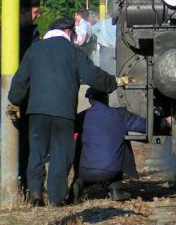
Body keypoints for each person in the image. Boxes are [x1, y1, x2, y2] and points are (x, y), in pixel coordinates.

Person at [6, 17, 128, 207]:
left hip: (36, 111)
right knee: (61, 154)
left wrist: (14, 100)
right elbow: (92, 75)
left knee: (37, 152)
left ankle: (36, 195)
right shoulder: (73, 51)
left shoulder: (34, 50)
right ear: (70, 33)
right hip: (64, 112)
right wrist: (114, 82)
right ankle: (56, 198)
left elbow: (20, 81)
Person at [72, 88, 146, 202]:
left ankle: (79, 183)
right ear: (107, 98)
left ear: (90, 100)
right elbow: (144, 126)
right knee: (122, 140)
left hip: (84, 171)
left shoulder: (81, 117)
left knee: (79, 141)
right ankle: (116, 189)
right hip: (111, 172)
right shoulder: (120, 115)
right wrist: (165, 122)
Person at [0, 0, 42, 189]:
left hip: (26, 95)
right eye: (35, 12)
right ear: (23, 12)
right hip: (13, 91)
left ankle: (21, 181)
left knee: (25, 140)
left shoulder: (33, 34)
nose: (38, 16)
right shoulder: (9, 33)